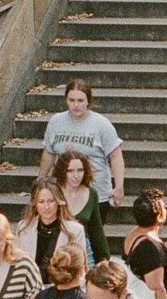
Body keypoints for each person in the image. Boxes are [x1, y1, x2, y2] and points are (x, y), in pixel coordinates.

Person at [36, 77, 124, 209]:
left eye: (80, 100)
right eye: (72, 100)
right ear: (66, 100)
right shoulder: (56, 121)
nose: (76, 105)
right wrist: (40, 182)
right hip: (63, 193)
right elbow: (49, 153)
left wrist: (119, 187)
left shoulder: (101, 124)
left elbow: (116, 156)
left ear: (88, 101)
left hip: (95, 193)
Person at [13, 177, 87, 281]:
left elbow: (80, 269)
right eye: (41, 202)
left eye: (51, 201)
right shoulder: (23, 228)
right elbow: (17, 264)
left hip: (62, 289)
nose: (46, 207)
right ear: (35, 204)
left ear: (58, 202)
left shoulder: (75, 230)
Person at [52, 148, 109, 263]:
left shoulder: (91, 193)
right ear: (63, 171)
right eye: (70, 171)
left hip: (83, 249)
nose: (76, 176)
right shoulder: (52, 192)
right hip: (56, 249)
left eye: (80, 170)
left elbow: (96, 230)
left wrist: (104, 259)